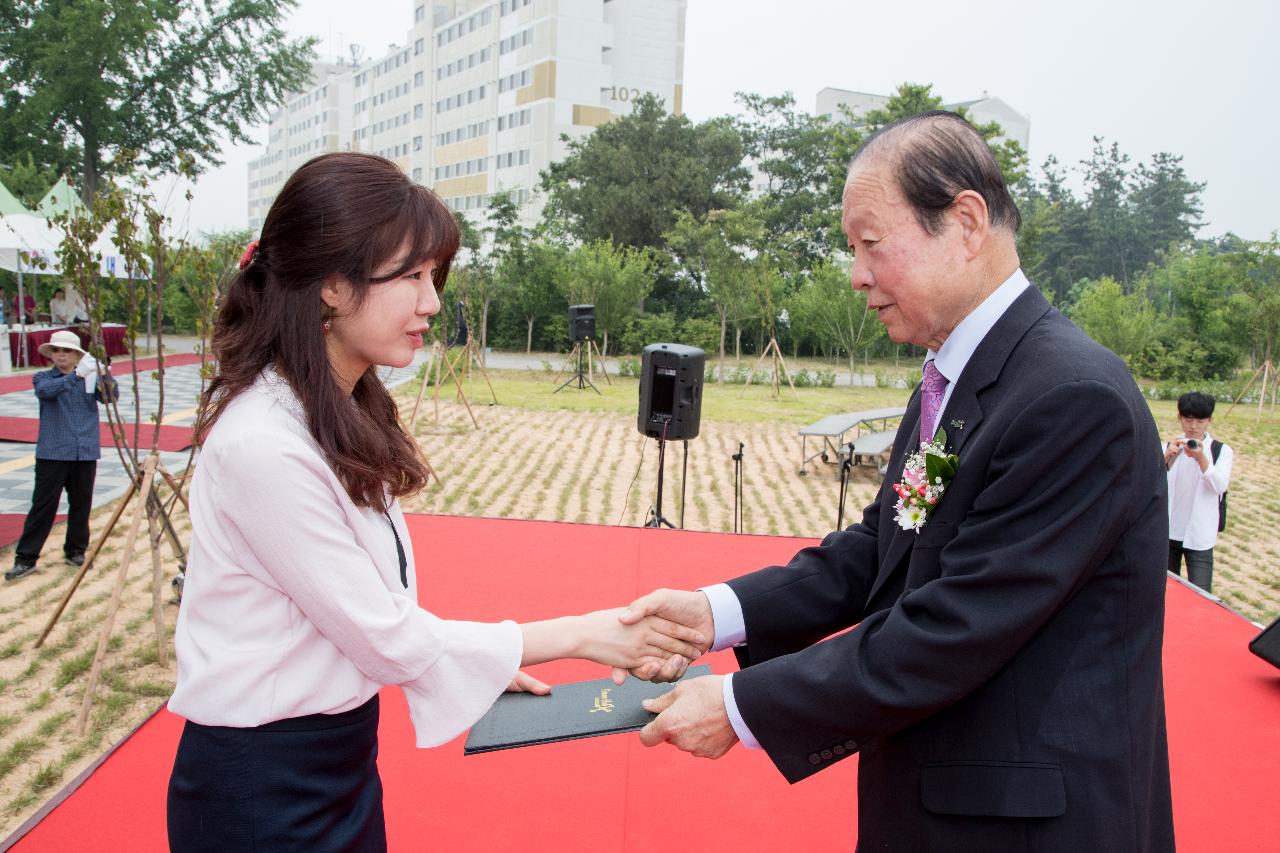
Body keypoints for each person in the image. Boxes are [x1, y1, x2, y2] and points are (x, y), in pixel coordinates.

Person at [619, 113, 1175, 852]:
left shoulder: (1072, 398)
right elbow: (886, 542)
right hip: (941, 801)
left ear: (966, 222)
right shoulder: (956, 376)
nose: (857, 274)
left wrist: (740, 702)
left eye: (871, 244)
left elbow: (954, 626)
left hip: (1029, 826)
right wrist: (715, 614)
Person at [164, 152, 703, 853]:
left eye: (433, 277)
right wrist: (584, 632)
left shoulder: (333, 405)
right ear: (331, 283)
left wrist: (477, 659)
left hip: (333, 763)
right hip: (262, 789)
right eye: (412, 277)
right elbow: (387, 638)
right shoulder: (264, 442)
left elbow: (364, 603)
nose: (432, 303)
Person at [7, 330, 115, 581]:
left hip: (84, 451)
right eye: (56, 351)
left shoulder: (89, 378)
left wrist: (103, 374)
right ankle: (26, 558)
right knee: (43, 506)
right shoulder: (43, 378)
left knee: (81, 503)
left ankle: (76, 550)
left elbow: (110, 397)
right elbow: (46, 392)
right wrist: (77, 375)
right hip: (52, 453)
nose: (61, 355)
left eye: (66, 351)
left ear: (77, 354)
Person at [1163, 391, 1232, 592]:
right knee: (1165, 592)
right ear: (1180, 418)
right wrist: (1166, 457)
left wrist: (1201, 458)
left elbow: (1219, 486)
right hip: (1168, 532)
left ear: (1209, 420)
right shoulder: (1169, 446)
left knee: (1201, 594)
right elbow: (1150, 482)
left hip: (1199, 535)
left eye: (1200, 421)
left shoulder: (1221, 451)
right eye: (1188, 419)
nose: (1193, 426)